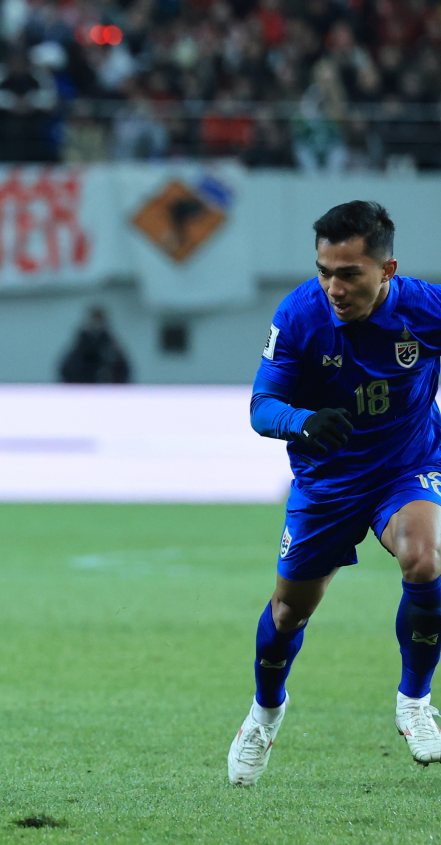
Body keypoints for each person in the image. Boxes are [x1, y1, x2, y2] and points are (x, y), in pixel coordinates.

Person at [229, 201, 441, 785]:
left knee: (424, 558)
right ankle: (265, 713)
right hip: (326, 484)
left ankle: (415, 702)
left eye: (349, 274)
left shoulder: (427, 310)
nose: (333, 287)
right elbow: (261, 406)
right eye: (325, 270)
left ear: (387, 270)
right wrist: (302, 422)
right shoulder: (299, 315)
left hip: (407, 467)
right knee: (289, 612)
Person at [59, 306, 130, 384]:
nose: (96, 325)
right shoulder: (81, 344)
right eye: (94, 321)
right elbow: (66, 370)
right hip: (83, 388)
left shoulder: (109, 344)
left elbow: (123, 370)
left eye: (98, 321)